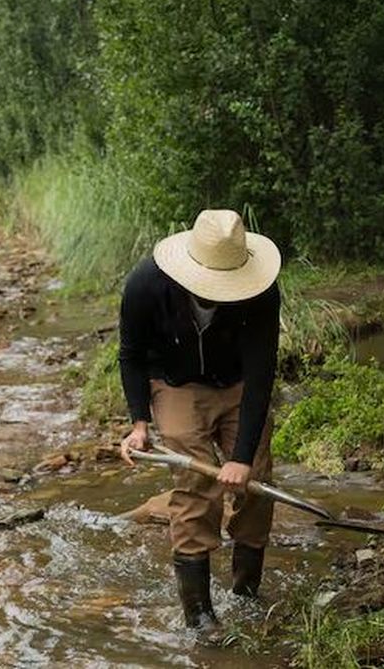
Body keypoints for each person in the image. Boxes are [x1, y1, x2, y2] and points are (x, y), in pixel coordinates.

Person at [118, 209, 281, 630]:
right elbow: (131, 354)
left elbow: (261, 374)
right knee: (195, 482)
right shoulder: (146, 284)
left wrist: (241, 458)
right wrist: (139, 423)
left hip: (239, 382)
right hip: (176, 383)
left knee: (257, 478)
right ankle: (200, 615)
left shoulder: (262, 291)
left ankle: (246, 593)